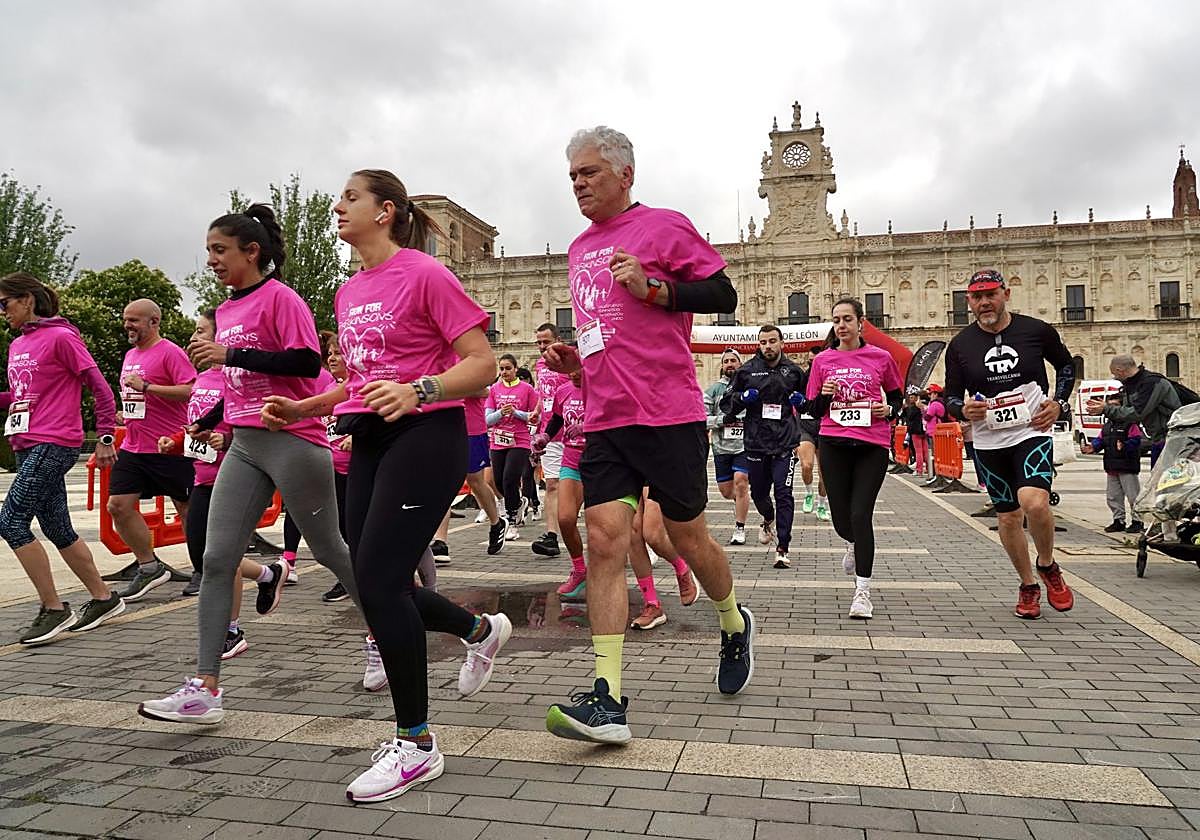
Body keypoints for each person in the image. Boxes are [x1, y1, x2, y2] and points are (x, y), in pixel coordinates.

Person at [260, 169, 509, 803]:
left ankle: (417, 744)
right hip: (370, 434)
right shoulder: (348, 292)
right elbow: (361, 378)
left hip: (426, 433)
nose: (337, 206)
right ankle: (479, 632)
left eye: (350, 197)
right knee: (375, 580)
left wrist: (419, 390)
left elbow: (478, 365)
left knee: (375, 581)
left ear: (385, 211)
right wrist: (305, 408)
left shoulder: (426, 274)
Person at [542, 125, 754, 745]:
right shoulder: (580, 249)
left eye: (589, 173)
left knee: (688, 538)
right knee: (606, 540)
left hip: (668, 413)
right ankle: (607, 697)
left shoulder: (664, 226)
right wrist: (576, 366)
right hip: (606, 417)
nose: (578, 184)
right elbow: (606, 334)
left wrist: (655, 287)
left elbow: (722, 291)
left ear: (624, 174)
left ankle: (733, 619)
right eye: (573, 176)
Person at [137, 203, 364, 726]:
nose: (212, 260)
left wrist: (227, 356)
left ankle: (381, 633)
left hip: (293, 440)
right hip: (242, 442)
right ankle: (205, 687)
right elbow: (237, 380)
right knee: (216, 559)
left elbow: (306, 362)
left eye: (220, 250)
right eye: (209, 251)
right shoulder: (226, 309)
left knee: (330, 549)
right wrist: (210, 416)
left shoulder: (281, 298)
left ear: (251, 251)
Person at [943, 269, 1076, 620]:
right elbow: (951, 396)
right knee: (1007, 518)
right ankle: (1028, 584)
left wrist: (1059, 402)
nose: (985, 302)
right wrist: (962, 409)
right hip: (989, 438)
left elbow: (1065, 367)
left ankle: (1047, 564)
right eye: (976, 296)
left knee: (1033, 502)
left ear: (1006, 293)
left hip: (1031, 429)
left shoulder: (1036, 330)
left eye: (991, 294)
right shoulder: (960, 345)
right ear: (968, 301)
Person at [0, 271, 125, 644]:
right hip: (26, 442)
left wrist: (104, 436)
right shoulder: (19, 345)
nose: (2, 311)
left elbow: (100, 388)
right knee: (56, 528)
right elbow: (22, 395)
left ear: (27, 300)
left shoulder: (61, 337)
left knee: (10, 521)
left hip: (54, 442)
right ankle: (103, 598)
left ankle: (54, 608)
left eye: (4, 303)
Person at [157, 310, 274, 659]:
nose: (193, 338)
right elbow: (199, 425)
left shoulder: (237, 377)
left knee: (220, 557)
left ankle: (230, 630)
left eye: (201, 331)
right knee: (204, 553)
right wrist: (176, 441)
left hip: (236, 473)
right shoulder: (201, 378)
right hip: (202, 474)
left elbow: (255, 418)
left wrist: (231, 438)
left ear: (223, 338)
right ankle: (268, 574)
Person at [805, 298, 903, 619]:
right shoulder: (822, 361)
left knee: (861, 514)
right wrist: (825, 396)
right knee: (840, 517)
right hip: (833, 443)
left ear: (861, 323)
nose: (841, 325)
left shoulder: (881, 357)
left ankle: (863, 592)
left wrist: (889, 410)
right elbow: (812, 410)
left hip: (871, 445)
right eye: (836, 320)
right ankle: (851, 543)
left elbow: (899, 399)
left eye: (847, 319)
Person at [108, 298, 196, 602]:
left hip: (169, 444)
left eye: (134, 320)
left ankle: (203, 568)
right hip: (134, 446)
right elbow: (133, 396)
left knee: (186, 509)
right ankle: (149, 567)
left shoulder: (171, 352)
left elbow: (190, 389)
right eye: (125, 319)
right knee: (117, 506)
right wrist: (126, 413)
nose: (128, 325)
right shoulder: (130, 355)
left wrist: (148, 387)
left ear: (154, 322)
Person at [721, 325, 807, 569]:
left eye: (772, 341)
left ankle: (783, 548)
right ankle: (767, 518)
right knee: (759, 493)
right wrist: (742, 398)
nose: (767, 346)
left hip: (785, 443)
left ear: (782, 343)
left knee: (784, 493)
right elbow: (727, 405)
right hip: (756, 443)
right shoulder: (747, 371)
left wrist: (802, 403)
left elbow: (810, 404)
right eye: (763, 342)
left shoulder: (793, 371)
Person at [537, 369, 587, 598]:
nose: (575, 373)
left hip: (600, 462)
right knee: (565, 518)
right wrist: (545, 437)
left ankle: (607, 575)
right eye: (572, 368)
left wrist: (587, 427)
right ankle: (579, 570)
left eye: (581, 367)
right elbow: (557, 418)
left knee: (600, 529)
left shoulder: (601, 388)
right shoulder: (563, 390)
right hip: (571, 458)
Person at [1088, 355, 1182, 469]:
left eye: (1115, 374)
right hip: (1159, 439)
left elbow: (1137, 413)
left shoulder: (1152, 383)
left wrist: (1106, 409)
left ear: (1120, 370)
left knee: (1167, 480)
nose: (1115, 378)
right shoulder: (1132, 385)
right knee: (1158, 480)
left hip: (1171, 440)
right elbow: (1126, 413)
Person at [487, 353, 538, 540]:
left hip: (520, 439)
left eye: (508, 368)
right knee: (499, 481)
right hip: (498, 440)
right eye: (501, 369)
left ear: (515, 369)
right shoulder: (493, 390)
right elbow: (487, 420)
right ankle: (519, 503)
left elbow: (535, 416)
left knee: (510, 478)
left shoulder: (527, 390)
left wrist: (516, 413)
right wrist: (501, 413)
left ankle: (512, 521)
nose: (504, 372)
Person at [703, 348, 751, 545]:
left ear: (740, 364)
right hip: (722, 448)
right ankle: (742, 500)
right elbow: (702, 419)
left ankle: (740, 528)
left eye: (734, 360)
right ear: (722, 366)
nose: (730, 364)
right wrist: (723, 420)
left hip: (744, 446)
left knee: (741, 481)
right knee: (726, 491)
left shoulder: (749, 388)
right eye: (726, 361)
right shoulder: (713, 390)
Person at [1082, 391, 1144, 533]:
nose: (1112, 410)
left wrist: (1125, 446)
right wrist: (1093, 447)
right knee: (1113, 496)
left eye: (1116, 406)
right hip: (1112, 466)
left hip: (1127, 466)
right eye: (1110, 406)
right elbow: (1101, 439)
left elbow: (1137, 440)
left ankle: (1137, 521)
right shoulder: (1108, 425)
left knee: (1133, 495)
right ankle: (1118, 520)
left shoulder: (1130, 424)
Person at [530, 323, 567, 557]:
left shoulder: (569, 362)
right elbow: (543, 392)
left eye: (547, 342)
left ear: (558, 339)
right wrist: (536, 410)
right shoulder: (540, 364)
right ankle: (551, 536)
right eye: (539, 343)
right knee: (552, 484)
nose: (543, 347)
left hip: (573, 431)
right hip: (549, 433)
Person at [796, 346, 828, 521]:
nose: (812, 364)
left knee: (825, 474)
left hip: (824, 429)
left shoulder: (830, 378)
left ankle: (822, 505)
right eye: (810, 361)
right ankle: (809, 493)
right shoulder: (802, 379)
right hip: (805, 427)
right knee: (806, 465)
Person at [922, 384, 947, 482]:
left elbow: (927, 416)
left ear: (936, 394)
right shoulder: (938, 403)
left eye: (930, 394)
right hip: (934, 431)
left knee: (935, 454)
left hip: (934, 431)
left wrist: (923, 409)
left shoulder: (935, 404)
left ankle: (936, 474)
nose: (929, 396)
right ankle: (936, 474)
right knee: (934, 453)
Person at [902, 392, 928, 476]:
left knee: (918, 451)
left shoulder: (914, 408)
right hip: (924, 430)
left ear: (917, 398)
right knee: (925, 450)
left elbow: (909, 417)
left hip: (916, 431)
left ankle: (919, 470)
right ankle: (929, 469)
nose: (910, 399)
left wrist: (906, 409)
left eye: (912, 397)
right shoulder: (925, 407)